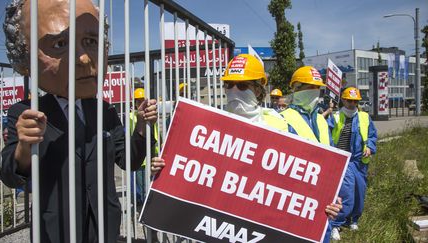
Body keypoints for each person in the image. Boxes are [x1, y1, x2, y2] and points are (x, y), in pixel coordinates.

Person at [0, 0, 157, 242]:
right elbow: (11, 176)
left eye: (91, 42)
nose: (83, 59)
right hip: (56, 230)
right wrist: (23, 146)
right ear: (25, 59)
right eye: (60, 44)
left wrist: (143, 126)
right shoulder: (25, 112)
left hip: (105, 227)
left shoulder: (105, 111)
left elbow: (130, 160)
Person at [150, 55, 342, 241]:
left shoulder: (280, 124)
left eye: (242, 85)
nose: (234, 90)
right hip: (224, 222)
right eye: (229, 85)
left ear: (258, 90)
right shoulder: (211, 125)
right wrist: (163, 168)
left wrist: (327, 202)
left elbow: (304, 178)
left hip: (268, 223)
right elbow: (189, 169)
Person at [279, 66, 340, 242]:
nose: (313, 92)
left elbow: (334, 159)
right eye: (307, 87)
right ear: (295, 89)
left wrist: (335, 193)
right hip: (296, 198)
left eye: (316, 88)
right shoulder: (283, 118)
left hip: (323, 196)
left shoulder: (321, 120)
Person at [330, 87, 377, 241]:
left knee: (359, 191)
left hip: (359, 161)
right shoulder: (335, 116)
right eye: (349, 100)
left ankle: (353, 220)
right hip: (342, 159)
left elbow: (371, 135)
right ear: (343, 100)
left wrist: (370, 147)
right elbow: (327, 135)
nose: (352, 104)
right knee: (346, 193)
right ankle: (335, 224)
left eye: (355, 101)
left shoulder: (364, 117)